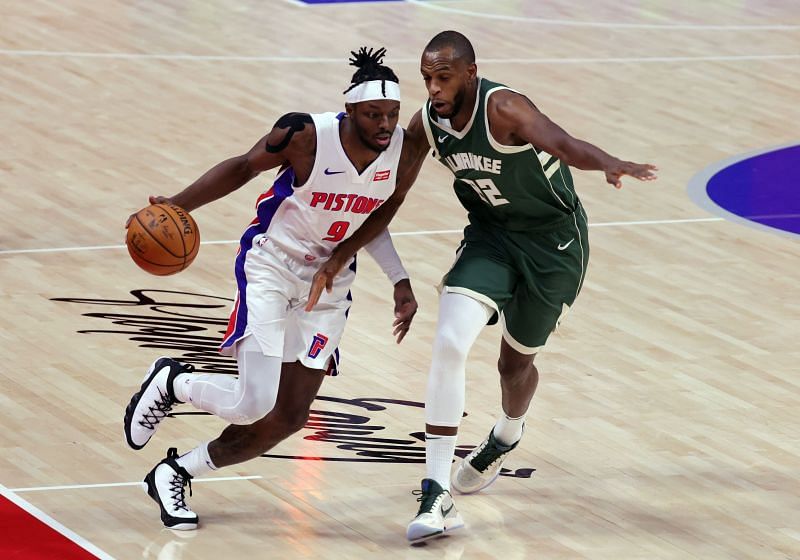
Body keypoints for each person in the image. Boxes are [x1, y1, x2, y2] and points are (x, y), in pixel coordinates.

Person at [307, 31, 658, 543]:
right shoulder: (427, 124)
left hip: (552, 246)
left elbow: (563, 144)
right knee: (449, 342)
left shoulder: (506, 109)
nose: (432, 88)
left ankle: (507, 433)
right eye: (426, 78)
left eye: (443, 77)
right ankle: (435, 493)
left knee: (514, 365)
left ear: (470, 73)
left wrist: (607, 162)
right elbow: (393, 196)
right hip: (490, 240)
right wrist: (342, 253)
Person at [123, 47, 424, 530]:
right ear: (350, 110)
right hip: (271, 266)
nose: (385, 123)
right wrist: (177, 206)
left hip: (328, 283)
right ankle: (173, 381)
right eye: (373, 114)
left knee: (288, 417)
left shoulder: (405, 149)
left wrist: (399, 279)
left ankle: (175, 472)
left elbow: (379, 214)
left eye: (391, 113)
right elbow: (244, 167)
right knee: (253, 402)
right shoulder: (304, 134)